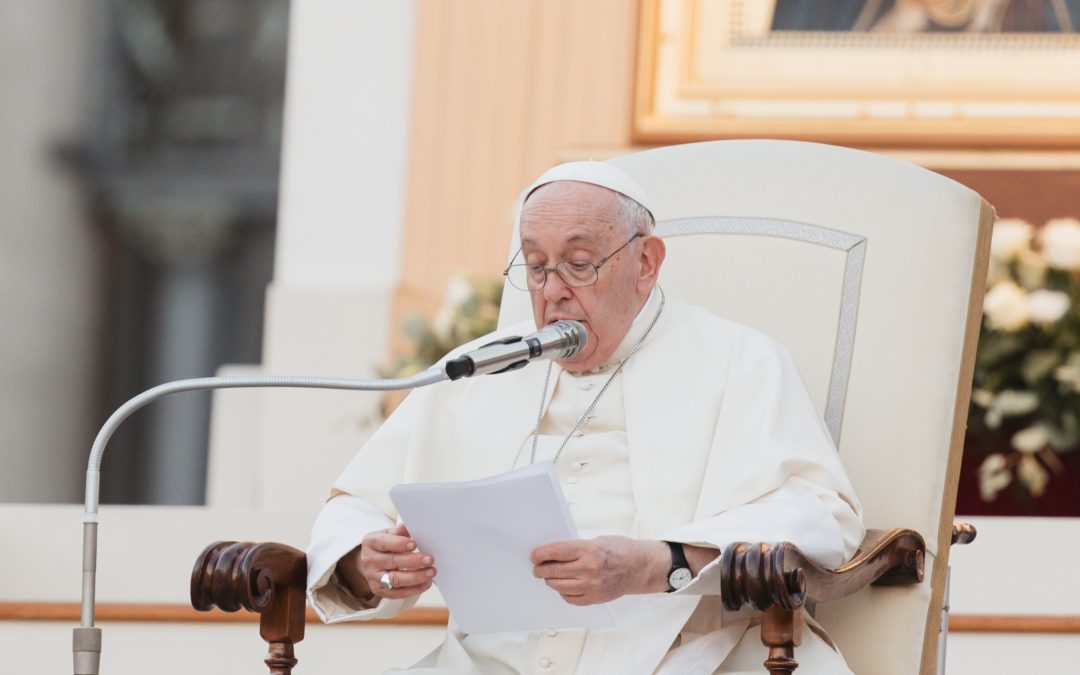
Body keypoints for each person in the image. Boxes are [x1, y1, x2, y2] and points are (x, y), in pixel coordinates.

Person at [306, 161, 864, 674]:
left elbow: (821, 514)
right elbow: (354, 505)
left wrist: (655, 563)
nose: (553, 293)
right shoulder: (482, 368)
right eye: (536, 267)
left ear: (646, 263)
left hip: (688, 658)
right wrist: (365, 558)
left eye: (578, 265)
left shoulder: (741, 361)